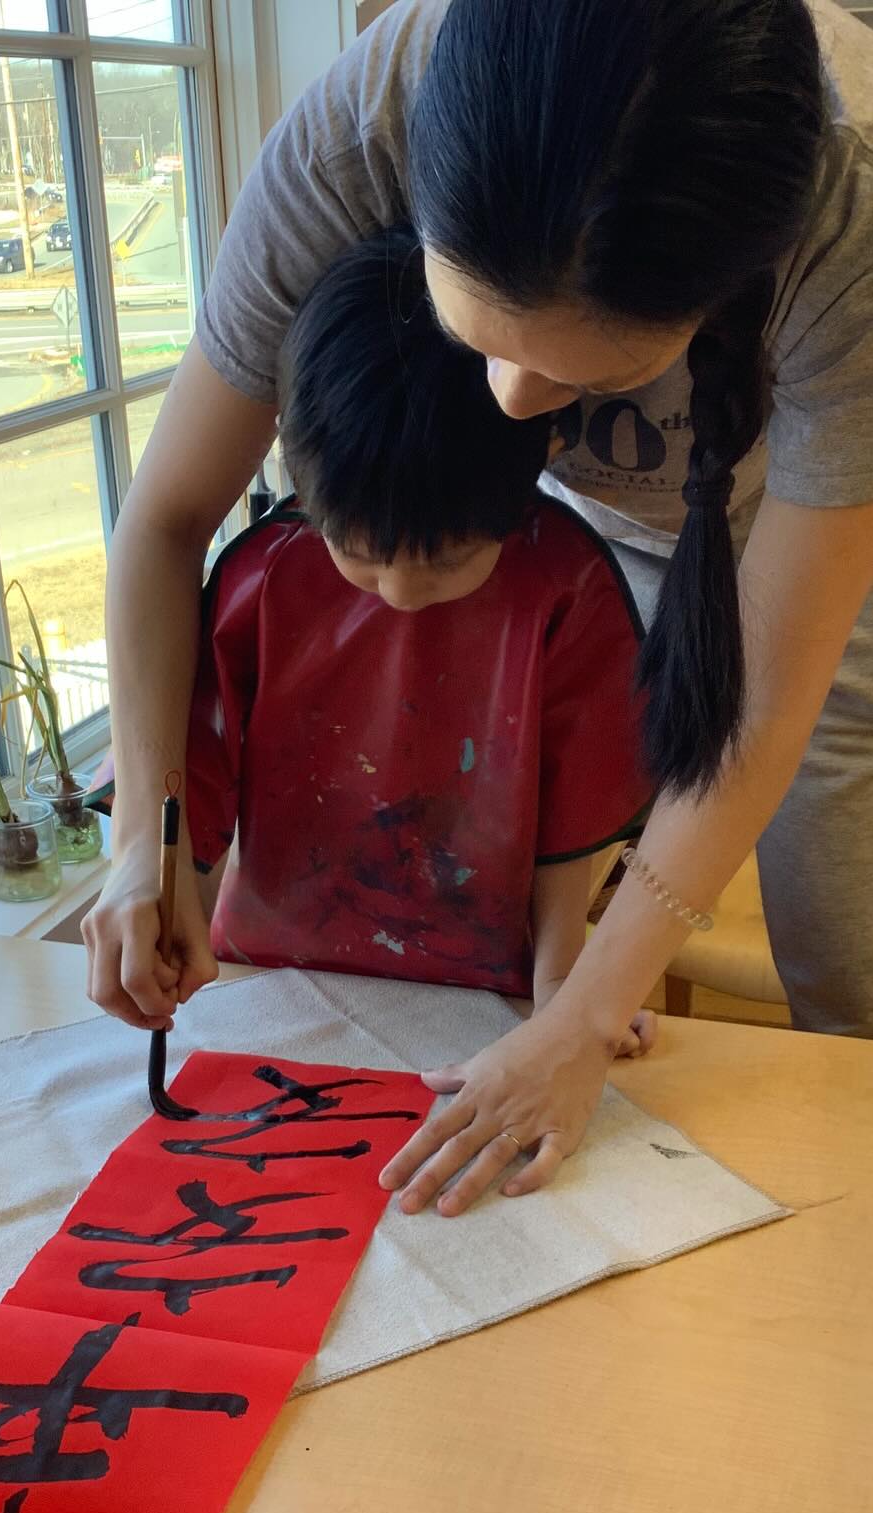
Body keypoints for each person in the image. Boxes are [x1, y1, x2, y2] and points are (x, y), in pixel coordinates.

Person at [81, 0, 873, 1513]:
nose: (510, 401)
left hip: (833, 535)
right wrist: (142, 838)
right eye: (482, 335)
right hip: (580, 534)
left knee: (847, 948)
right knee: (594, 945)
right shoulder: (364, 123)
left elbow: (764, 705)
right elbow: (165, 525)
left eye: (570, 361)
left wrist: (578, 1018)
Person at [184, 226, 653, 1015]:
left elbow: (579, 813)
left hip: (483, 990)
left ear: (532, 468)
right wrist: (171, 910)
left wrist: (565, 983)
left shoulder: (566, 584)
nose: (399, 590)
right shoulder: (260, 575)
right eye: (359, 553)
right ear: (301, 479)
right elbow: (189, 768)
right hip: (269, 975)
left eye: (445, 562)